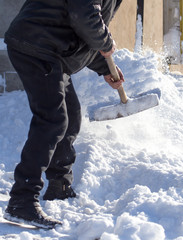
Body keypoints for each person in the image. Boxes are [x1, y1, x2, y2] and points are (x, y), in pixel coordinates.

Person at [3, 0, 124, 229]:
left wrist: (105, 66)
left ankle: (59, 186)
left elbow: (81, 31)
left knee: (71, 116)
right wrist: (106, 42)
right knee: (52, 120)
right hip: (37, 45)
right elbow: (83, 15)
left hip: (51, 50)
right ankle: (22, 200)